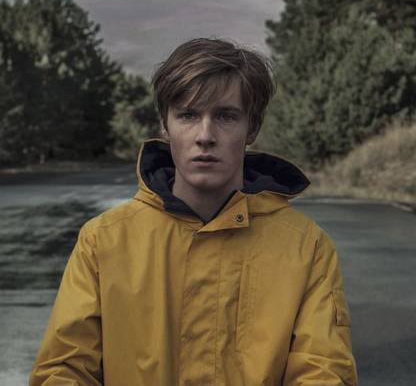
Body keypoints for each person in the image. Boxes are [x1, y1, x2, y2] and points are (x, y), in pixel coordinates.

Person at [29, 38, 358, 385]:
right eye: (188, 114)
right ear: (165, 125)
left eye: (226, 116)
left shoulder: (307, 249)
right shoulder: (103, 242)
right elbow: (64, 371)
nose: (205, 135)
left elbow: (324, 374)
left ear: (253, 127)